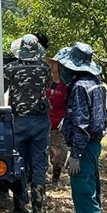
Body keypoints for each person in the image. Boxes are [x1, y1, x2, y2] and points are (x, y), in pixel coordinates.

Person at [55, 42, 107, 213]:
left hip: (84, 147)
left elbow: (81, 124)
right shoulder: (95, 83)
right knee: (92, 189)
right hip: (93, 145)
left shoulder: (78, 88)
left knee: (83, 193)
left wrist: (75, 154)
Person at [3, 34, 52, 213]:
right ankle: (38, 210)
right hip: (40, 121)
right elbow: (45, 87)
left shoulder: (10, 69)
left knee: (18, 163)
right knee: (39, 164)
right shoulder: (44, 68)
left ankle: (19, 206)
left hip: (18, 121)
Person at [46, 58, 69, 186]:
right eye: (50, 63)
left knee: (61, 152)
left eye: (54, 63)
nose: (51, 66)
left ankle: (56, 177)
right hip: (45, 124)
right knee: (46, 153)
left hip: (59, 124)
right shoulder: (45, 82)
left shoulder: (66, 85)